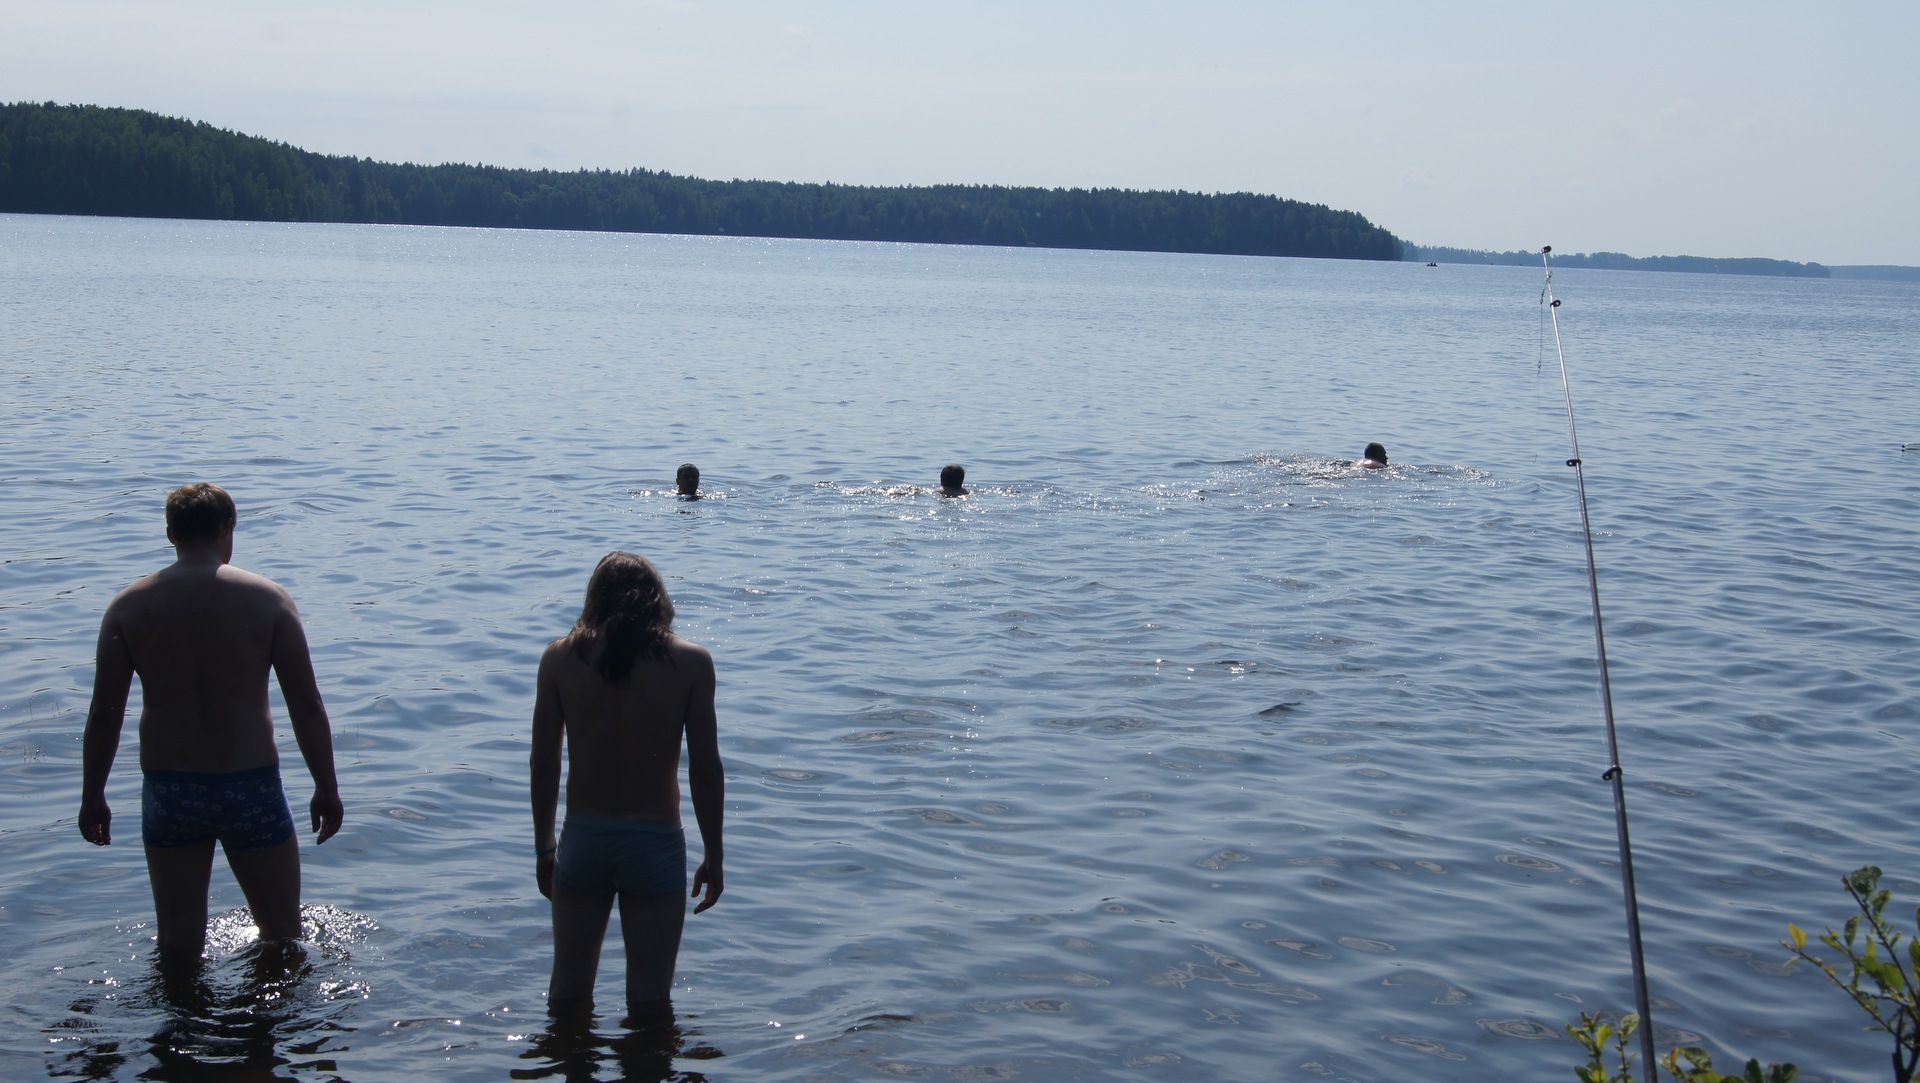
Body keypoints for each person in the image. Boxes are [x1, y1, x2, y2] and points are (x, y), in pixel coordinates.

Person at [78, 483, 343, 959]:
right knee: (282, 933)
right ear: (227, 528)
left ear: (170, 533)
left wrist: (92, 795)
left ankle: (178, 1026)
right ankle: (267, 1030)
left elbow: (104, 715)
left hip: (170, 788)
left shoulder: (128, 607)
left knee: (178, 944)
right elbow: (306, 706)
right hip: (250, 784)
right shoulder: (268, 600)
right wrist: (326, 787)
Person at [530, 552, 724, 1025]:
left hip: (584, 839)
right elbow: (706, 769)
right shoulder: (691, 662)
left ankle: (569, 1065)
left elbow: (544, 763)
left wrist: (544, 847)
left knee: (568, 990)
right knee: (651, 998)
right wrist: (714, 854)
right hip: (653, 842)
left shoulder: (560, 658)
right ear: (657, 600)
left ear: (593, 598)